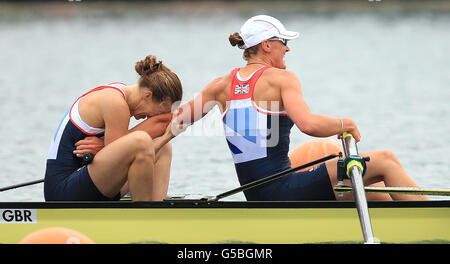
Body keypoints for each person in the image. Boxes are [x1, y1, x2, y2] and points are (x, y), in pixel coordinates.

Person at [174, 15, 429, 201]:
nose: (287, 48)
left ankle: (397, 221)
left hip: (258, 194)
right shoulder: (282, 78)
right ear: (266, 45)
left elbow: (176, 122)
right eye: (283, 41)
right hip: (280, 192)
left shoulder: (220, 85)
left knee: (373, 192)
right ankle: (428, 222)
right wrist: (345, 124)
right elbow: (308, 125)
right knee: (385, 160)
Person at [44, 55, 182, 201]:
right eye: (159, 112)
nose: (151, 118)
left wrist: (104, 146)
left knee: (163, 147)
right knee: (143, 141)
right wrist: (167, 136)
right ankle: (144, 216)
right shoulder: (115, 103)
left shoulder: (121, 93)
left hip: (92, 182)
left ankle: (156, 210)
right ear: (148, 95)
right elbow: (130, 153)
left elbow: (117, 154)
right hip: (63, 192)